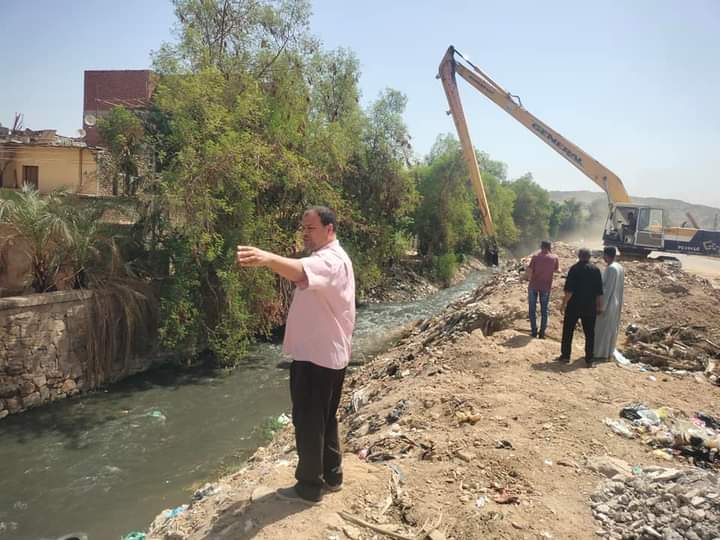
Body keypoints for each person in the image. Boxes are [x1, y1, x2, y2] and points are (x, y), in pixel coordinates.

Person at [236, 206, 355, 504]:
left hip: (317, 357)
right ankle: (332, 475)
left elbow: (300, 270)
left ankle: (309, 487)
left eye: (311, 228)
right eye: (303, 228)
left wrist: (267, 258)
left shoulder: (331, 260)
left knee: (308, 420)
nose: (305, 233)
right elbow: (303, 271)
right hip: (325, 354)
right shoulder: (326, 258)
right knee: (325, 419)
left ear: (330, 229)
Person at [559, 248, 603, 367]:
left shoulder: (574, 269)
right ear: (589, 257)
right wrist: (599, 306)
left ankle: (565, 356)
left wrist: (563, 304)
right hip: (590, 307)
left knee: (568, 332)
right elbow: (599, 292)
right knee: (590, 334)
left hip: (574, 306)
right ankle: (589, 359)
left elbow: (569, 291)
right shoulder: (596, 270)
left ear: (579, 256)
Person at [594, 247, 625, 360]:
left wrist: (601, 306)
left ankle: (599, 354)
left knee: (602, 331)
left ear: (606, 255)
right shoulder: (619, 267)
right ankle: (608, 353)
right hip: (615, 304)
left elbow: (606, 290)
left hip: (608, 304)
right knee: (610, 331)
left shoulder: (611, 269)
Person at [527, 240, 560, 339]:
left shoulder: (535, 257)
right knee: (544, 310)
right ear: (550, 247)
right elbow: (557, 270)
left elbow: (529, 270)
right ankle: (542, 334)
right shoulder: (555, 257)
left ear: (541, 247)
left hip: (533, 286)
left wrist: (527, 278)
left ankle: (533, 332)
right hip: (546, 287)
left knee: (532, 309)